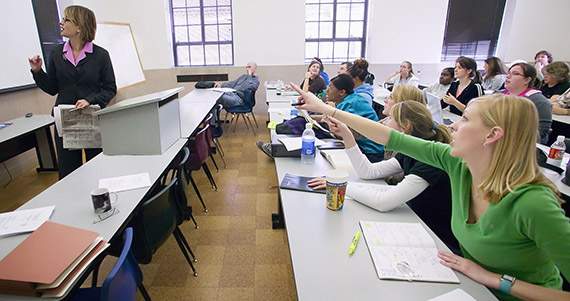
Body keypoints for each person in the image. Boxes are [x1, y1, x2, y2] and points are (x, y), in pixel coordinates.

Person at [292, 84, 570, 301]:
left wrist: (496, 279)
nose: (453, 126)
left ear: (492, 135)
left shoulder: (533, 202)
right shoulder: (457, 163)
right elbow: (392, 137)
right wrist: (326, 110)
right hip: (471, 287)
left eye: (466, 119)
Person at [308, 101, 460, 254]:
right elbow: (368, 172)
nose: (384, 122)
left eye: (389, 118)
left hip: (438, 240)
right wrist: (347, 135)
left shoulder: (430, 161)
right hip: (416, 223)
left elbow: (383, 202)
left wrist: (340, 185)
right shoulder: (413, 150)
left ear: (406, 126)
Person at [29, 5, 116, 180]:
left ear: (79, 26)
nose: (61, 23)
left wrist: (90, 100)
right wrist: (38, 72)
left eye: (66, 19)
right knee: (69, 173)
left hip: (92, 119)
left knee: (96, 169)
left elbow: (110, 88)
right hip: (65, 121)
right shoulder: (55, 53)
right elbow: (53, 88)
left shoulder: (100, 55)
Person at [325, 74, 384, 162]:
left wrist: (326, 121)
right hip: (366, 147)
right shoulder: (348, 100)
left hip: (370, 152)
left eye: (331, 87)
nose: (327, 90)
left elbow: (341, 133)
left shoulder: (349, 104)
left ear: (342, 92)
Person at [503, 63, 552, 144]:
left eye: (515, 74)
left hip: (522, 146)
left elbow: (541, 132)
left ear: (527, 80)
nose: (508, 76)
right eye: (508, 73)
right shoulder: (500, 95)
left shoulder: (538, 101)